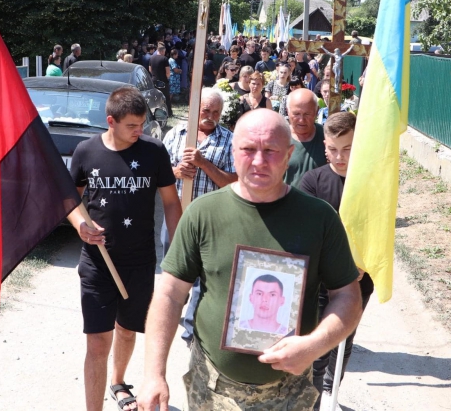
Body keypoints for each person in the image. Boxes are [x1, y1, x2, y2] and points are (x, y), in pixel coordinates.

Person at [137, 109, 362, 411]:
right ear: (233, 151)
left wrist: (314, 345)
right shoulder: (203, 213)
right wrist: (154, 374)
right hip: (211, 388)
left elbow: (347, 296)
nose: (258, 161)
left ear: (289, 155)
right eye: (248, 149)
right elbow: (170, 293)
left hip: (290, 393)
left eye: (270, 150)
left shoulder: (320, 218)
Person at [68, 87, 183, 411]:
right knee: (97, 343)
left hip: (140, 262)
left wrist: (178, 249)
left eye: (143, 124)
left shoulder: (154, 152)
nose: (140, 131)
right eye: (133, 125)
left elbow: (171, 203)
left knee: (128, 330)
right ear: (111, 121)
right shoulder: (86, 152)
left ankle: (118, 383)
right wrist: (80, 225)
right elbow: (70, 199)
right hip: (97, 263)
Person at [299, 112, 374, 402]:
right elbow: (306, 233)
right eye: (332, 149)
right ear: (324, 145)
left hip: (358, 280)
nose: (339, 157)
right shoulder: (313, 182)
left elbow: (378, 229)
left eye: (347, 149)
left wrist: (363, 264)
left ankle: (331, 393)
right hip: (321, 282)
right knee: (318, 342)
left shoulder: (371, 184)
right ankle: (313, 398)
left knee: (345, 339)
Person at [162, 88, 238, 343]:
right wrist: (175, 171)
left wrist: (203, 163)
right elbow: (158, 173)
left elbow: (234, 182)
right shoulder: (176, 134)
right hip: (176, 216)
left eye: (216, 112)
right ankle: (168, 317)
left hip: (212, 221)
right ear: (196, 110)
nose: (211, 116)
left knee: (203, 277)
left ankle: (191, 331)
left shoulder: (229, 140)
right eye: (206, 110)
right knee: (173, 272)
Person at [283, 88, 326, 188]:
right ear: (287, 111)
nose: (301, 120)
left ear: (317, 111)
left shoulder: (327, 137)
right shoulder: (278, 138)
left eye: (307, 114)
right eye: (296, 114)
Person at [150, 44, 173, 118]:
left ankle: (154, 113)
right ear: (162, 51)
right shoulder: (164, 59)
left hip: (154, 80)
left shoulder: (152, 58)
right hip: (163, 81)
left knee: (155, 97)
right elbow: (168, 72)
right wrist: (167, 78)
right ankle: (169, 113)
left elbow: (150, 69)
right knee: (166, 97)